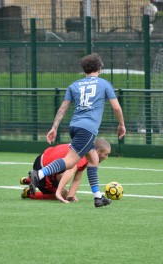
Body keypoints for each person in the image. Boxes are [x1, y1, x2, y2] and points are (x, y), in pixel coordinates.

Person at [27, 53, 126, 208]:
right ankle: (38, 174)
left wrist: (54, 127)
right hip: (87, 129)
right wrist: (121, 124)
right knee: (70, 162)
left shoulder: (74, 85)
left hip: (74, 126)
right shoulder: (104, 84)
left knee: (93, 159)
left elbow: (62, 108)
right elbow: (116, 107)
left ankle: (98, 197)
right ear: (99, 68)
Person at [20, 139, 111, 206]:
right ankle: (30, 193)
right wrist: (59, 192)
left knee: (66, 192)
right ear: (98, 152)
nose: (106, 158)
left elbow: (77, 179)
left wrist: (70, 195)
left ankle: (30, 179)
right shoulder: (85, 155)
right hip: (44, 167)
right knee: (59, 195)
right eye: (106, 154)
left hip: (42, 159)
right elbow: (70, 171)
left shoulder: (83, 144)